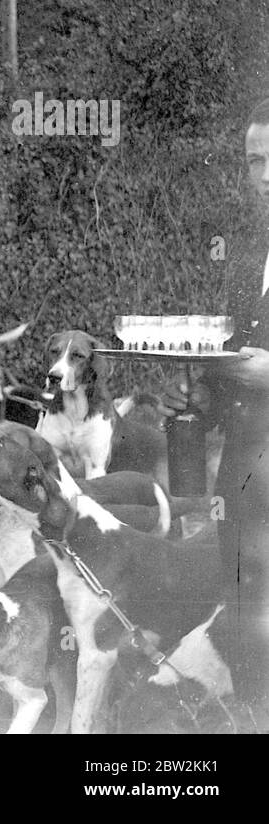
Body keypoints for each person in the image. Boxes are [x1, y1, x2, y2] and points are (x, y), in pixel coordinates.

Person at [161, 102, 269, 706]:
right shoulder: (246, 258)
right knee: (246, 603)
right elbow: (231, 364)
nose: (267, 175)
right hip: (246, 473)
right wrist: (200, 393)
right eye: (257, 161)